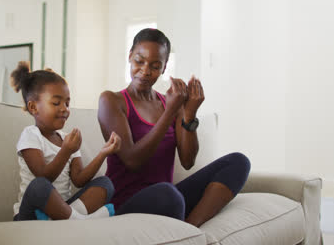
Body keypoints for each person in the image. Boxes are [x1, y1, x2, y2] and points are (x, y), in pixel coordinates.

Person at [98, 28, 251, 227]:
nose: (145, 71)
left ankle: (192, 230)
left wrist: (188, 113)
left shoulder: (169, 103)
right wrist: (170, 112)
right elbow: (132, 160)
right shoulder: (111, 100)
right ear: (129, 57)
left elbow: (188, 161)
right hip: (126, 205)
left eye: (155, 65)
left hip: (168, 200)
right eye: (139, 61)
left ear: (164, 67)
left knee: (238, 161)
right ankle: (185, 230)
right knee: (169, 194)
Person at [11, 61, 120, 221]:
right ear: (33, 107)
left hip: (61, 209)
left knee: (105, 184)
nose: (64, 108)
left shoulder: (66, 139)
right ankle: (77, 220)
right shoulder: (31, 135)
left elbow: (79, 179)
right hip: (32, 214)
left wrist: (103, 153)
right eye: (56, 103)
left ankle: (68, 217)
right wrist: (66, 150)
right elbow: (44, 176)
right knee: (39, 186)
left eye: (67, 103)